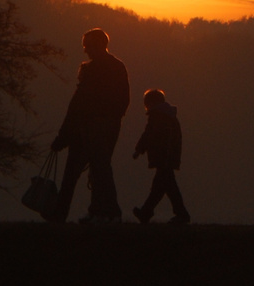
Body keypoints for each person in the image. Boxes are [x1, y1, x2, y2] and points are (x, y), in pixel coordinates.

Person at [46, 27, 130, 223]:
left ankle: (65, 214)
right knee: (100, 170)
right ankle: (103, 212)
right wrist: (112, 121)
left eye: (87, 45)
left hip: (88, 128)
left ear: (98, 45)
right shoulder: (118, 67)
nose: (85, 50)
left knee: (76, 173)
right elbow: (123, 101)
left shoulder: (91, 70)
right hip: (107, 127)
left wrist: (63, 136)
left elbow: (77, 105)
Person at [132, 88, 188, 224]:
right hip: (167, 157)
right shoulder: (168, 116)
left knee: (166, 186)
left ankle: (181, 214)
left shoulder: (158, 117)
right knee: (162, 187)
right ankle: (146, 212)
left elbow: (149, 134)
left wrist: (139, 149)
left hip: (164, 157)